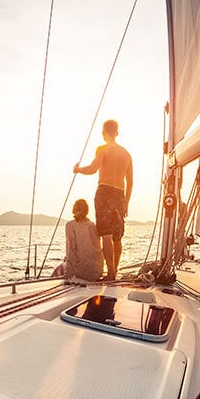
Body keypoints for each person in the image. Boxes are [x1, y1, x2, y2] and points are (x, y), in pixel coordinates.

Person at [73, 119, 133, 281]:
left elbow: (93, 169)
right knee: (117, 236)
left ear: (103, 133)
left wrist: (77, 169)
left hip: (105, 192)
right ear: (117, 133)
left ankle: (111, 273)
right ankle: (115, 270)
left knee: (106, 234)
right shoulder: (127, 154)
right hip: (120, 194)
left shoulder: (102, 149)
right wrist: (126, 202)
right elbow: (130, 182)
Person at [57, 199, 103, 281]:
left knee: (60, 267)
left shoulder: (70, 225)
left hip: (81, 273)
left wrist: (69, 274)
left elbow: (71, 249)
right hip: (96, 272)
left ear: (74, 209)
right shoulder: (92, 225)